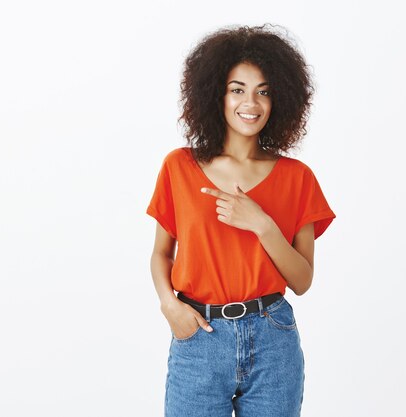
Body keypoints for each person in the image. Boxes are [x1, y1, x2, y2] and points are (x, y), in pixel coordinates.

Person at [146, 24, 336, 417]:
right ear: (215, 93)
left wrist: (262, 224)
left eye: (264, 91)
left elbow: (302, 281)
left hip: (272, 340)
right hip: (199, 336)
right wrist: (170, 306)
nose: (251, 103)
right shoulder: (179, 166)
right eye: (237, 89)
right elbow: (161, 254)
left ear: (280, 98)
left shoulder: (297, 177)